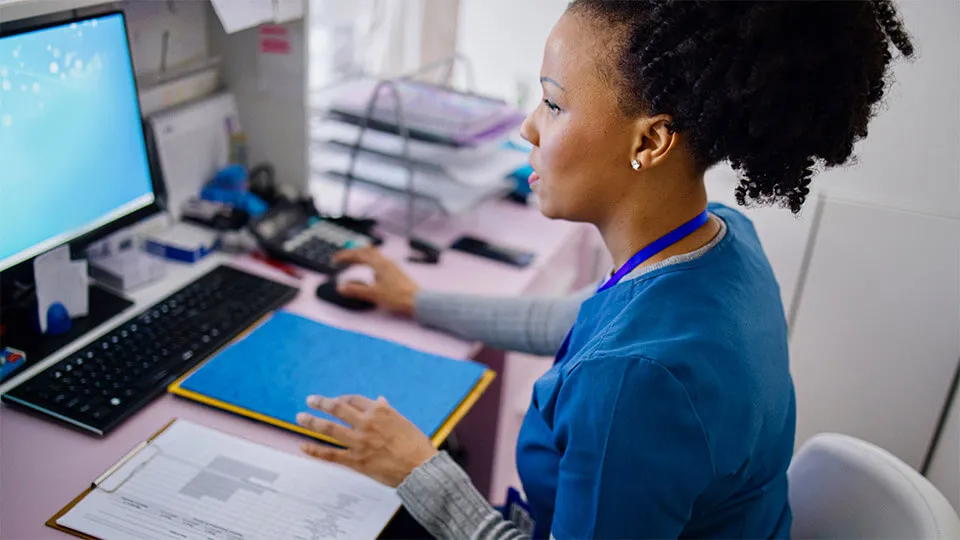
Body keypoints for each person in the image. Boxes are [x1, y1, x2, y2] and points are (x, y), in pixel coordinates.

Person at [295, 1, 914, 538]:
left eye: (554, 103)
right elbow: (579, 320)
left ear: (649, 143)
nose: (528, 126)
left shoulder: (631, 383)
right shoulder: (722, 242)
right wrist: (416, 301)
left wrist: (418, 470)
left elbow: (617, 359)